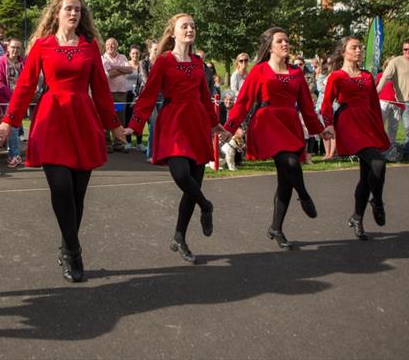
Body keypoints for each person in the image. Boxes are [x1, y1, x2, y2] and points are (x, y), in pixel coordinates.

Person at [0, 0, 125, 283]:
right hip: (52, 122)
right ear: (57, 13)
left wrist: (114, 126)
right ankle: (74, 251)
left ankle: (66, 246)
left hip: (83, 122)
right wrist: (8, 122)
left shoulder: (90, 48)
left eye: (78, 9)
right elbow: (25, 87)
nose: (74, 13)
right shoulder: (42, 45)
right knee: (62, 189)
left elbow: (102, 91)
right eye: (68, 8)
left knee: (78, 196)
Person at [124, 14, 228, 264]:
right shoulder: (163, 62)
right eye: (185, 26)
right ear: (173, 33)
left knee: (193, 183)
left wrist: (215, 125)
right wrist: (134, 125)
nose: (190, 29)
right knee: (181, 175)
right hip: (173, 122)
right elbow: (148, 96)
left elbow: (205, 96)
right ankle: (206, 206)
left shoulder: (198, 63)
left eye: (193, 26)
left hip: (197, 125)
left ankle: (179, 238)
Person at [221, 27, 329, 250]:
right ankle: (305, 196)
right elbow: (243, 102)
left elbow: (307, 108)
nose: (285, 44)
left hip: (289, 123)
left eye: (287, 41)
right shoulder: (259, 70)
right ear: (270, 46)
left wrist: (320, 130)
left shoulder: (297, 73)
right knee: (289, 162)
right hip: (267, 123)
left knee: (285, 179)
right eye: (280, 41)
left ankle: (276, 228)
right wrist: (229, 127)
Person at [320, 37, 391, 240]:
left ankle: (357, 218)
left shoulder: (368, 76)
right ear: (344, 52)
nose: (359, 50)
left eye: (360, 47)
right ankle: (377, 201)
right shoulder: (337, 77)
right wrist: (329, 124)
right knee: (378, 163)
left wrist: (380, 128)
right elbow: (326, 104)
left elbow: (374, 104)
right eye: (354, 47)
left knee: (366, 175)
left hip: (369, 123)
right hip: (349, 123)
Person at [376, 38, 409, 161]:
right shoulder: (396, 62)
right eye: (405, 49)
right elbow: (384, 77)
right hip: (404, 102)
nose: (408, 52)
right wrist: (377, 91)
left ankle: (408, 153)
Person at [0, 38, 25, 167]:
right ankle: (15, 155)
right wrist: (12, 97)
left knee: (15, 127)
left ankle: (13, 153)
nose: (15, 50)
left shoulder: (23, 62)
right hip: (6, 100)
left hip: (20, 100)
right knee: (12, 127)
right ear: (8, 48)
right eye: (13, 47)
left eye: (18, 48)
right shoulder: (2, 61)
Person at [102, 38, 132, 153]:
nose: (111, 46)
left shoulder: (123, 57)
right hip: (107, 93)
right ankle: (107, 143)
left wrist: (116, 67)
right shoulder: (103, 58)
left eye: (114, 44)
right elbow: (109, 74)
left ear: (117, 46)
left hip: (120, 93)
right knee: (106, 116)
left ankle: (119, 143)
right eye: (109, 44)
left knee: (119, 117)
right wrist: (121, 69)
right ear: (105, 46)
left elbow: (129, 69)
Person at [124, 44, 144, 151]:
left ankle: (139, 142)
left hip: (139, 95)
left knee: (139, 117)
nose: (135, 55)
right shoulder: (126, 65)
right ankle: (128, 141)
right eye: (133, 53)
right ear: (130, 54)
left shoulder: (142, 65)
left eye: (137, 53)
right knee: (128, 117)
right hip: (128, 94)